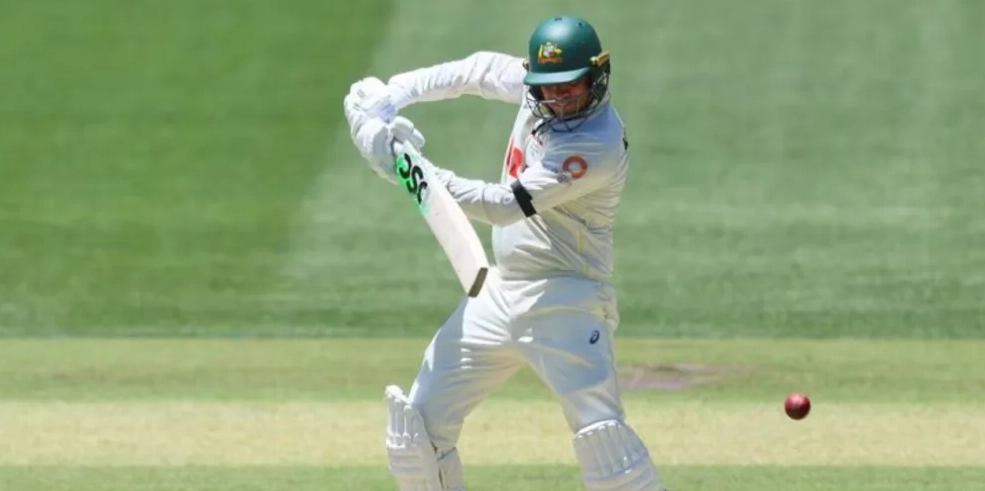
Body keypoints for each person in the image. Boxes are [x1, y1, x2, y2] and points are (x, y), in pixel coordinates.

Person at [343, 15, 669, 491]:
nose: (559, 99)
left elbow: (501, 206)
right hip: (497, 292)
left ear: (596, 76)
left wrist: (404, 164)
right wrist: (395, 94)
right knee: (415, 433)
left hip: (565, 300)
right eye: (549, 88)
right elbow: (476, 70)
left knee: (605, 446)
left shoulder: (593, 143)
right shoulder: (540, 91)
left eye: (571, 87)